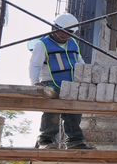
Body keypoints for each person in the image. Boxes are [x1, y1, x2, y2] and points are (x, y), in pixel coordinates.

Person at [29, 13, 93, 149]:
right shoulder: (43, 44)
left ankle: (75, 141)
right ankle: (47, 140)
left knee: (74, 109)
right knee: (52, 109)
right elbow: (35, 65)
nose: (63, 34)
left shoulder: (73, 43)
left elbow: (79, 61)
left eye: (68, 32)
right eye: (61, 30)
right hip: (50, 82)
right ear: (54, 28)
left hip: (70, 83)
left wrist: (88, 77)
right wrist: (34, 84)